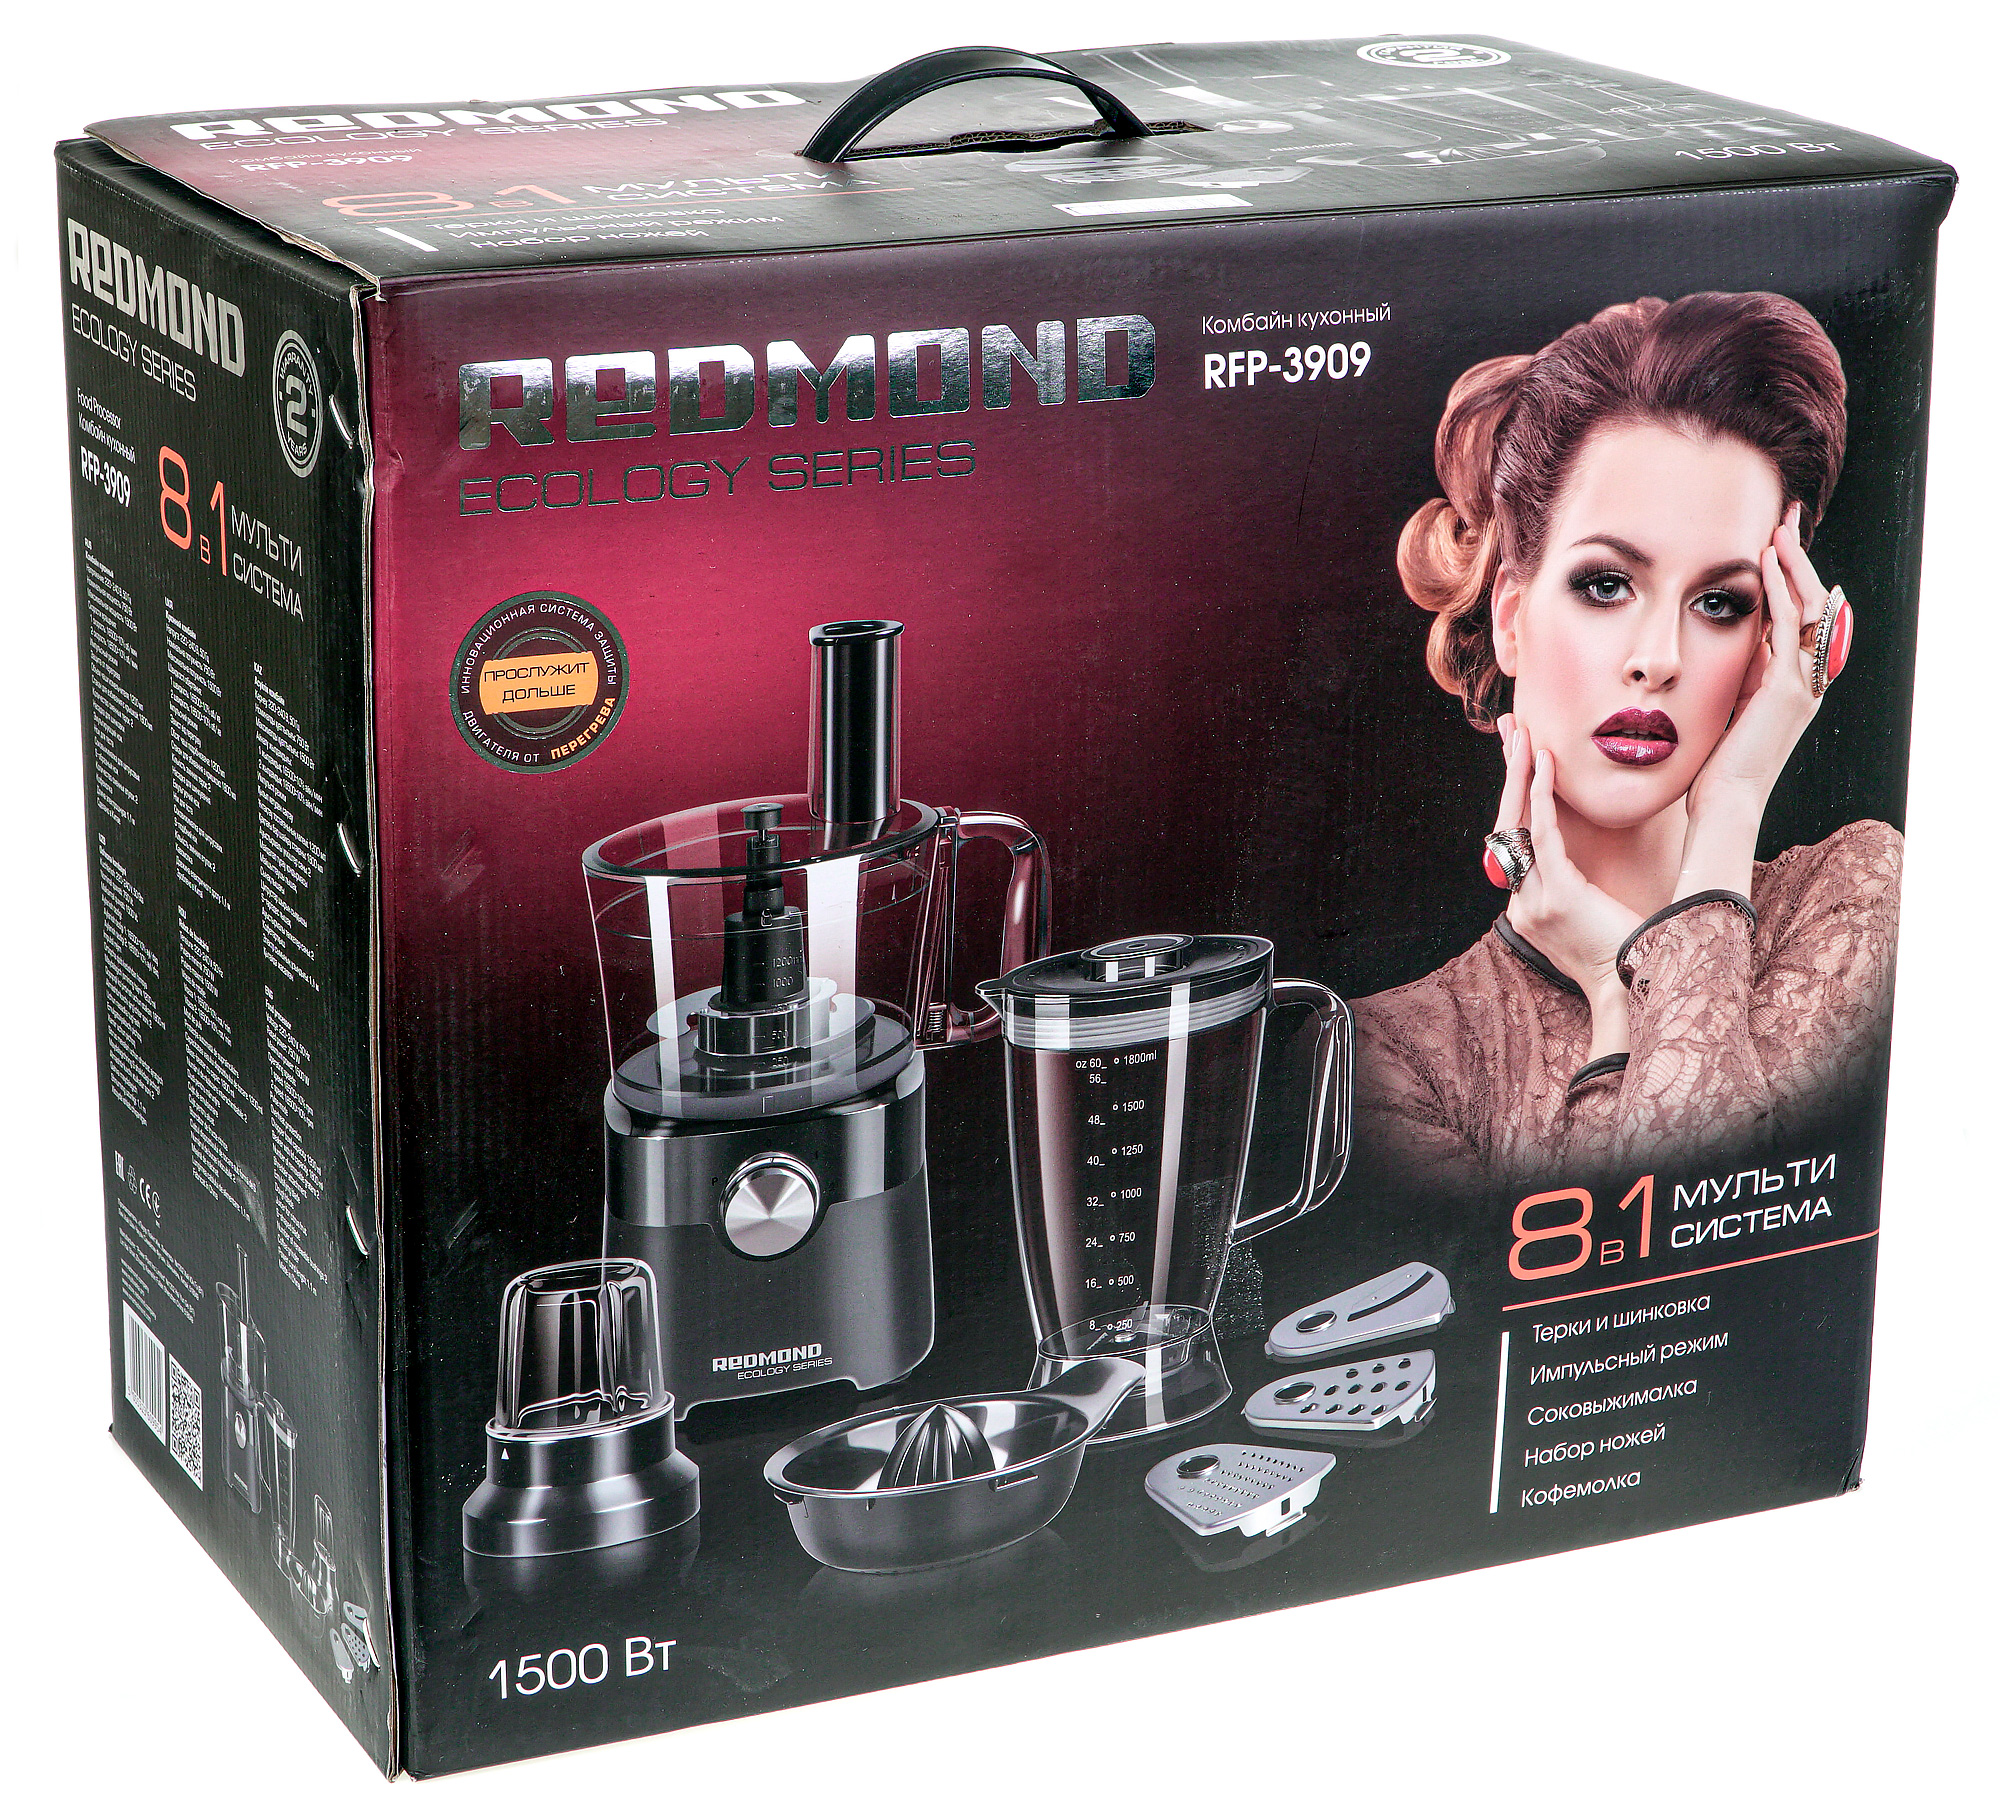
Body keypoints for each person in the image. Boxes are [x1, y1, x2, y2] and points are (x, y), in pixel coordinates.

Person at [1356, 292, 1896, 1178]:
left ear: (1768, 638)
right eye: (1606, 585)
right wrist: (1612, 984)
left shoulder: (1853, 895)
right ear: (1512, 618)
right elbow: (1615, 1261)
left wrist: (1731, 807)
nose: (1659, 659)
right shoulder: (1392, 1054)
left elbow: (1722, 1227)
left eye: (1719, 603)